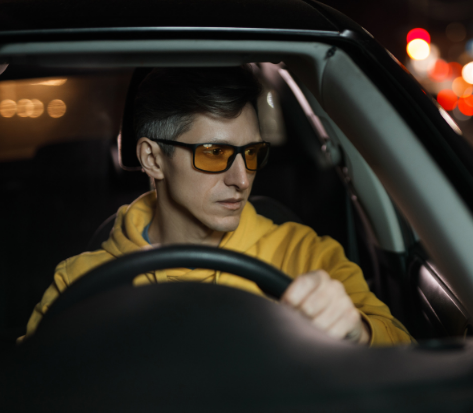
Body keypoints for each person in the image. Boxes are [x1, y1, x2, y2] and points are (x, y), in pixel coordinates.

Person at [21, 66, 413, 346]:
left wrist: (356, 331)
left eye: (252, 153)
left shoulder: (303, 254)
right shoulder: (83, 284)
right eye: (214, 153)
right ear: (153, 160)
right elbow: (25, 396)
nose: (241, 179)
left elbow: (404, 349)